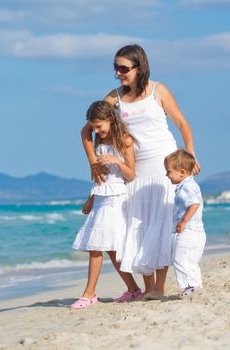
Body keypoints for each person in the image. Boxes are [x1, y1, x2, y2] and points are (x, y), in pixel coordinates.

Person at [81, 44, 200, 298]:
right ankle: (147, 288)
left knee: (161, 223)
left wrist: (189, 156)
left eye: (124, 68)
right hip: (133, 170)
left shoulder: (158, 90)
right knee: (138, 226)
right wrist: (93, 162)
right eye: (116, 68)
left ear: (139, 67)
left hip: (163, 165)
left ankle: (159, 287)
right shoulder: (113, 97)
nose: (118, 73)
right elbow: (88, 129)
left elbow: (182, 123)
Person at [71, 100, 142, 309]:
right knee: (110, 249)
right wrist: (91, 197)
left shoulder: (124, 140)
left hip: (116, 198)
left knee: (96, 247)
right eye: (93, 128)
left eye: (100, 127)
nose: (97, 131)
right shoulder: (97, 139)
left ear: (110, 120)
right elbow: (100, 177)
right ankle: (133, 290)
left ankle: (89, 294)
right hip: (101, 196)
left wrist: (117, 162)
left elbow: (131, 175)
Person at [164, 149, 206, 297]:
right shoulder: (189, 185)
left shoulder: (186, 187)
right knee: (190, 260)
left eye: (168, 172)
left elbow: (194, 204)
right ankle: (196, 286)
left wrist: (183, 222)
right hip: (196, 231)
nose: (166, 175)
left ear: (181, 172)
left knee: (180, 259)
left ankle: (191, 286)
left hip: (188, 231)